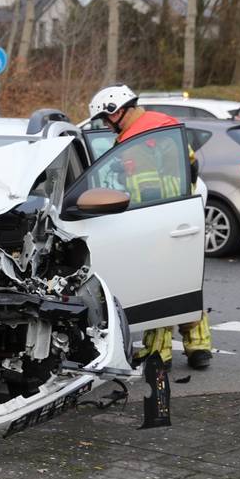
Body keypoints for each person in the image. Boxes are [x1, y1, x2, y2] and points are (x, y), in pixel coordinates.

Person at [88, 84, 212, 372]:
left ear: (116, 111)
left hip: (158, 219)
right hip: (184, 212)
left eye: (106, 119)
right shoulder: (162, 123)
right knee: (185, 283)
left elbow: (147, 191)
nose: (106, 126)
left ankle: (159, 353)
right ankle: (199, 346)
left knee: (160, 287)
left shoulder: (136, 141)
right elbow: (191, 167)